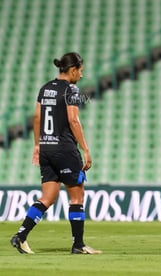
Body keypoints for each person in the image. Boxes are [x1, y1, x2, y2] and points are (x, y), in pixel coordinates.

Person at [10, 52, 101, 254]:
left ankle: (21, 235)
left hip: (46, 148)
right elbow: (73, 120)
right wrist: (86, 149)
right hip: (64, 149)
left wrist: (37, 145)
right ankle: (78, 245)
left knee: (48, 197)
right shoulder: (71, 89)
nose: (81, 75)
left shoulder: (45, 88)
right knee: (77, 197)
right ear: (72, 70)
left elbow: (36, 118)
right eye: (81, 71)